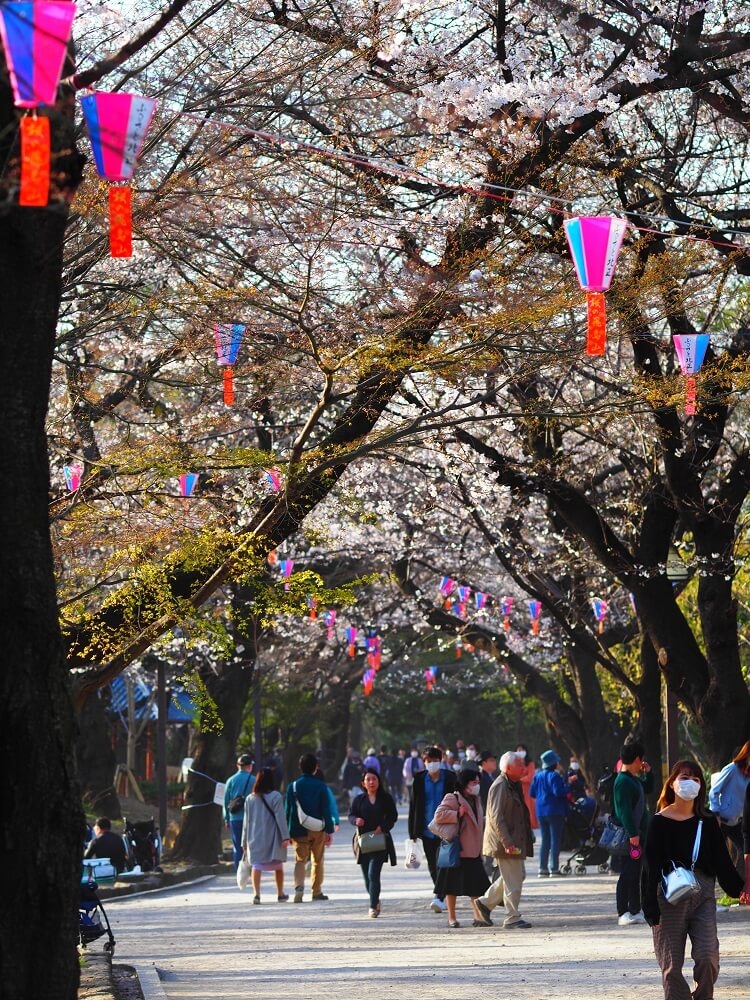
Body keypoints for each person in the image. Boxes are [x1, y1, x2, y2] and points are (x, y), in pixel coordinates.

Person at [642, 760, 744, 1000]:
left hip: (703, 894)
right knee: (671, 966)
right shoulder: (658, 821)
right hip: (668, 898)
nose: (690, 782)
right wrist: (649, 907)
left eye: (696, 779)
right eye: (684, 777)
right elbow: (649, 867)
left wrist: (739, 889)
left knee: (708, 956)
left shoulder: (707, 821)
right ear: (672, 784)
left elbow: (722, 861)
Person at [475, 751, 534, 929]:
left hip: (513, 840)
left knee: (516, 876)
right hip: (505, 842)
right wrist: (507, 842)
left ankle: (485, 903)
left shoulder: (512, 784)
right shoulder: (500, 786)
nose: (523, 768)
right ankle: (512, 917)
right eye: (519, 765)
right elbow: (495, 817)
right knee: (514, 879)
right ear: (508, 768)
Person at [429, 766, 490, 928]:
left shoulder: (476, 799)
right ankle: (452, 917)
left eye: (478, 782)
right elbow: (439, 815)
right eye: (473, 782)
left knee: (475, 886)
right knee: (451, 887)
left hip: (474, 850)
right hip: (457, 850)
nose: (477, 785)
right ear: (464, 783)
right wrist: (457, 814)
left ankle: (478, 916)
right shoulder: (453, 798)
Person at [408, 745, 458, 913]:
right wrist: (412, 832)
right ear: (424, 762)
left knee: (444, 863)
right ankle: (441, 894)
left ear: (441, 760)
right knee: (432, 863)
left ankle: (439, 895)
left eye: (435, 760)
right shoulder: (419, 779)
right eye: (429, 761)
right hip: (426, 828)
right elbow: (413, 806)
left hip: (446, 829)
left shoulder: (450, 777)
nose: (432, 764)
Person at [285, 752, 335, 903]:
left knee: (300, 860)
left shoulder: (292, 787)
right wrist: (329, 830)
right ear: (316, 768)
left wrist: (287, 832)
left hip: (298, 829)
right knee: (317, 860)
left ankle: (299, 888)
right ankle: (316, 891)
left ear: (300, 767)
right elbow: (326, 809)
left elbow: (288, 811)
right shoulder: (321, 786)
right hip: (317, 829)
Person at [613, 739, 653, 925]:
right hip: (632, 837)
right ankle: (623, 911)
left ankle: (635, 909)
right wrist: (632, 834)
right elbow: (624, 811)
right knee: (627, 873)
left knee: (636, 872)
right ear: (637, 759)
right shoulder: (622, 782)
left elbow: (648, 788)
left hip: (638, 835)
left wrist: (649, 773)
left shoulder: (633, 779)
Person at [349, 769, 398, 917]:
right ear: (363, 783)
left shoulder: (386, 798)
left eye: (374, 779)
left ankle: (372, 907)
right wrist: (355, 820)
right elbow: (351, 815)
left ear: (379, 781)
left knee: (373, 874)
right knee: (367, 878)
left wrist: (383, 827)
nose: (371, 782)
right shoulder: (359, 800)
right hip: (363, 842)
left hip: (379, 842)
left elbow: (393, 816)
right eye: (368, 779)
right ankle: (375, 900)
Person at [241, 766, 291, 903]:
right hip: (273, 837)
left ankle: (256, 895)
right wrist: (285, 836)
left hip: (255, 837)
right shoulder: (276, 796)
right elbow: (281, 818)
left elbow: (246, 822)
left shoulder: (250, 799)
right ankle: (280, 893)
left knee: (256, 866)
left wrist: (243, 842)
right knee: (278, 866)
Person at [708, 739, 750, 878]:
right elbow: (714, 791)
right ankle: (706, 890)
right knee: (713, 856)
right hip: (721, 820)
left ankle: (739, 887)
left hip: (737, 821)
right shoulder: (732, 769)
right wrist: (716, 814)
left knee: (746, 852)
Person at [529, 750, 568, 876]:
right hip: (555, 810)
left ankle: (542, 868)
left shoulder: (537, 776)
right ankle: (554, 868)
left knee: (545, 840)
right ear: (553, 763)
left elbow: (532, 793)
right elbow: (558, 792)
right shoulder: (554, 776)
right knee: (555, 840)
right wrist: (568, 786)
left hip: (540, 811)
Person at [224, 754, 256, 871]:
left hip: (235, 818)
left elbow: (226, 801)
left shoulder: (230, 780)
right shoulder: (254, 780)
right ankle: (252, 872)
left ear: (238, 766)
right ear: (250, 766)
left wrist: (227, 819)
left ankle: (239, 872)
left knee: (238, 847)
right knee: (251, 846)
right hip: (251, 819)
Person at [516, 744, 537, 828]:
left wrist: (519, 779)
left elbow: (530, 777)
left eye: (521, 750)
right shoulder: (515, 763)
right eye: (518, 750)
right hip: (517, 789)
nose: (520, 752)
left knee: (529, 808)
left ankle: (531, 825)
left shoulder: (530, 763)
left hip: (527, 789)